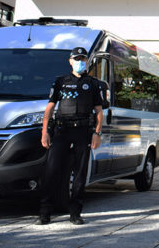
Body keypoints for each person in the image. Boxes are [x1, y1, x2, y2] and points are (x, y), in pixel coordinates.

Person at [36, 47, 103, 225]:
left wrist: (97, 133)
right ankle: (44, 212)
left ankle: (75, 213)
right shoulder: (60, 81)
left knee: (80, 174)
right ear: (70, 61)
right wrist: (45, 132)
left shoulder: (93, 84)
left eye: (83, 58)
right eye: (77, 58)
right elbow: (49, 109)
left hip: (83, 132)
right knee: (51, 171)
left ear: (87, 61)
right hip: (61, 131)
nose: (80, 61)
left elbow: (98, 111)